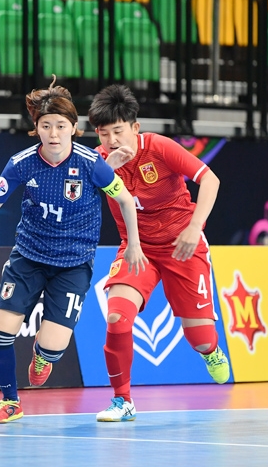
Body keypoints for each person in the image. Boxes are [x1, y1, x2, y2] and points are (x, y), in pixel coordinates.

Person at [0, 77, 148, 424]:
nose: (54, 133)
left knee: (52, 348)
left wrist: (133, 243)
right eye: (46, 126)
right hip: (28, 258)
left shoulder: (92, 163)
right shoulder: (21, 163)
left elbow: (124, 198)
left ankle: (43, 355)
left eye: (61, 126)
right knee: (0, 331)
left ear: (74, 129)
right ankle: (11, 402)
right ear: (36, 129)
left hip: (73, 265)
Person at [87, 84, 230, 422]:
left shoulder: (160, 147)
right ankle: (123, 401)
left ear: (135, 128)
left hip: (183, 245)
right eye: (104, 134)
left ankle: (209, 350)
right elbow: (81, 195)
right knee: (117, 318)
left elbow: (211, 180)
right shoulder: (98, 160)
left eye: (118, 131)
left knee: (200, 338)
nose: (111, 140)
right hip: (137, 248)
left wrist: (195, 228)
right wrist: (108, 168)